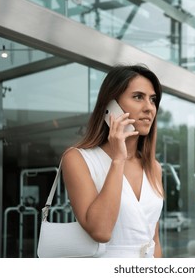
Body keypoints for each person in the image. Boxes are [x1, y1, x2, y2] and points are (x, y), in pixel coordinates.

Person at [61, 64, 164, 258]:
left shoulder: (154, 168)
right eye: (138, 97)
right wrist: (118, 159)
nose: (149, 108)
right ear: (111, 107)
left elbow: (154, 240)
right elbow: (101, 231)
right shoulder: (77, 159)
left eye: (153, 99)